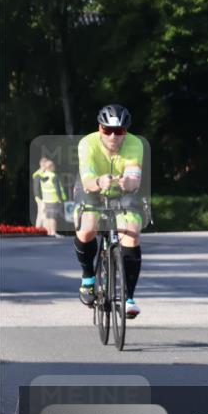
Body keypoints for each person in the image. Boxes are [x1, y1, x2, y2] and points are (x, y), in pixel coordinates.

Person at [74, 105, 144, 318]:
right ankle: (88, 279)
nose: (114, 136)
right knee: (88, 227)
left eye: (120, 131)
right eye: (108, 130)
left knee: (132, 233)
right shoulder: (87, 143)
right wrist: (99, 181)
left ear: (126, 131)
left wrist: (128, 182)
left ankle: (128, 297)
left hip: (121, 192)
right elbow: (87, 180)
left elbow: (134, 176)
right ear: (100, 128)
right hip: (92, 189)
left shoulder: (135, 143)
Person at [33, 157, 67, 234]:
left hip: (45, 198)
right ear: (43, 164)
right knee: (45, 216)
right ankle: (41, 231)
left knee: (45, 216)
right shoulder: (40, 174)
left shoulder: (42, 174)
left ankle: (46, 231)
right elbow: (37, 188)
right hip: (46, 199)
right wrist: (39, 197)